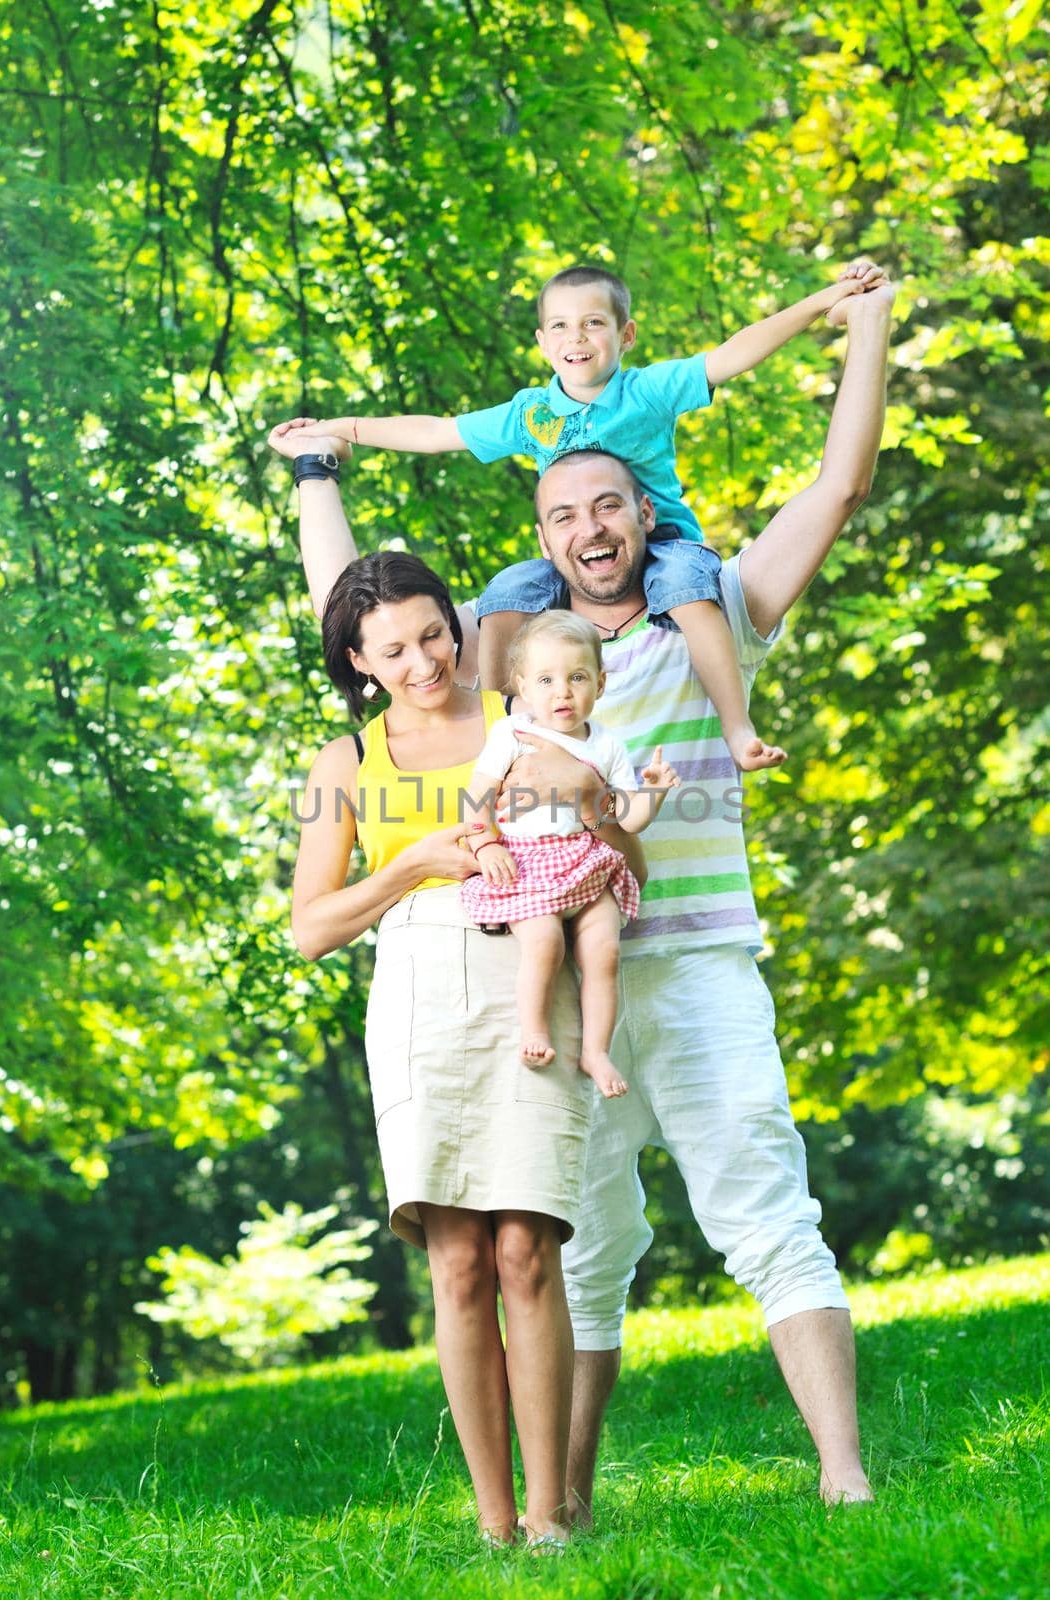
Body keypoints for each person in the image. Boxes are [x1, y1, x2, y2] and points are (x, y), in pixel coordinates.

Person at [269, 267, 895, 1514]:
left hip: (699, 964)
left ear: (643, 512)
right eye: (565, 513)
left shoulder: (713, 606)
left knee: (768, 1213)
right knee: (574, 1254)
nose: (590, 527)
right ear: (543, 535)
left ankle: (845, 1478)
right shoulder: (522, 668)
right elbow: (372, 631)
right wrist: (316, 474)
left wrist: (861, 323)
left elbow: (837, 486)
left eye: (612, 504)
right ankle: (565, 1510)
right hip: (547, 988)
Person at [287, 537, 643, 1547]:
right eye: (392, 651)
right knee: (457, 1263)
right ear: (359, 660)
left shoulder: (525, 716)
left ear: (458, 624)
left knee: (528, 1246)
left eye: (434, 635)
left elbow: (625, 855)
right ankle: (495, 1523)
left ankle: (552, 1515)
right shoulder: (345, 762)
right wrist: (416, 863)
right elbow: (310, 927)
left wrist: (599, 815)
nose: (422, 663)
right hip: (417, 990)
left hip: (533, 978)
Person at [304, 257, 882, 771]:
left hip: (673, 553)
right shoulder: (532, 414)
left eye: (593, 324)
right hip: (547, 871)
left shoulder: (647, 392)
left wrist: (828, 302)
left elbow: (737, 357)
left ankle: (737, 724)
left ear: (625, 334)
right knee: (508, 588)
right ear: (540, 340)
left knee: (684, 586)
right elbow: (435, 435)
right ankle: (511, 745)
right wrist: (332, 435)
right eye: (560, 325)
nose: (576, 338)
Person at [460, 610, 680, 1097]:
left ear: (599, 684)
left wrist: (655, 792)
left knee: (604, 952)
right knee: (545, 944)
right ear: (522, 686)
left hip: (586, 862)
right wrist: (485, 841)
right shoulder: (511, 734)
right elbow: (476, 795)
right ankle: (534, 1029)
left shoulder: (607, 746)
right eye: (546, 680)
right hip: (526, 862)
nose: (562, 692)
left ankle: (595, 1050)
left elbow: (625, 819)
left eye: (577, 677)